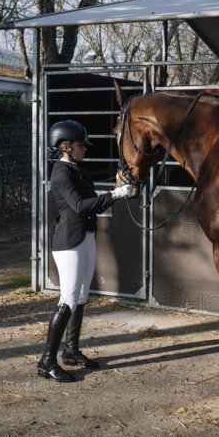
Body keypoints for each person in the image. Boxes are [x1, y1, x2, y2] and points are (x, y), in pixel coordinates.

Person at [37, 120, 132, 382]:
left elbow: (92, 204)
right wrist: (115, 194)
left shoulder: (77, 169)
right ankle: (46, 362)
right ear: (66, 146)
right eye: (81, 145)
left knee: (80, 296)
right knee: (67, 299)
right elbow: (79, 206)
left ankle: (71, 350)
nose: (85, 149)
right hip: (69, 240)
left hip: (85, 236)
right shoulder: (61, 172)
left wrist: (117, 191)